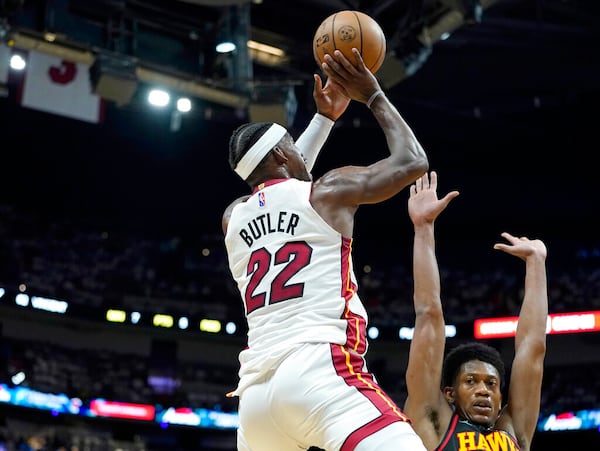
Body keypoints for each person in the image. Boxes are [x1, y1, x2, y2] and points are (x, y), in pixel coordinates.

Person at [222, 48, 429, 451]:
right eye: (294, 148)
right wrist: (373, 94)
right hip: (317, 369)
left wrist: (324, 119)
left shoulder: (232, 218)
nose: (304, 153)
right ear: (284, 154)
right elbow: (413, 160)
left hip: (256, 399)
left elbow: (284, 184)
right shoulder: (328, 192)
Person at [404, 171, 548, 451]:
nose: (484, 390)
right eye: (471, 381)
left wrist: (536, 264)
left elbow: (533, 348)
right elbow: (429, 316)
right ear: (449, 393)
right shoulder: (434, 422)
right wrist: (423, 228)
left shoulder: (513, 430)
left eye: (491, 384)